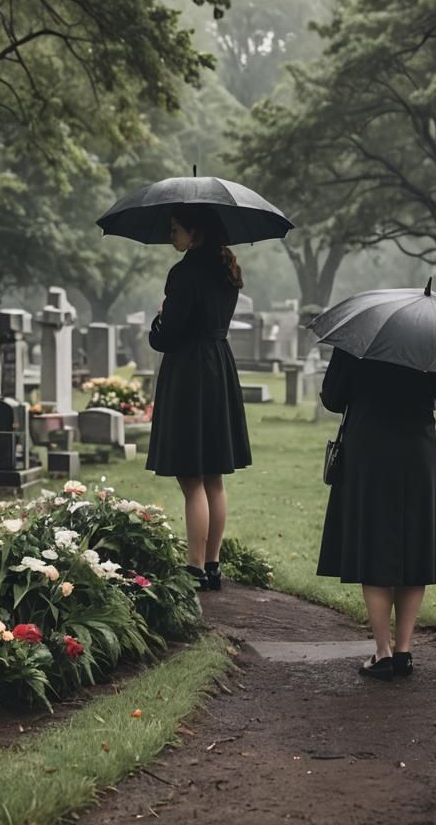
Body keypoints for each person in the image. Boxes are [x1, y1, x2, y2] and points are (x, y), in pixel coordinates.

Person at [316, 348, 436, 680]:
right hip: (416, 448)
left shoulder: (356, 343)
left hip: (369, 446)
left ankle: (383, 652)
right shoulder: (429, 341)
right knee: (413, 544)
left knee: (373, 541)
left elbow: (333, 398)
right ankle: (404, 650)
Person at [146, 203, 252, 591]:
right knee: (213, 479)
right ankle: (213, 564)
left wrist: (159, 318)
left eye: (176, 229)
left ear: (195, 233)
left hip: (189, 372)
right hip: (219, 368)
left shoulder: (184, 272)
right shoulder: (227, 270)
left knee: (191, 478)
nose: (171, 235)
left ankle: (193, 568)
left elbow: (167, 335)